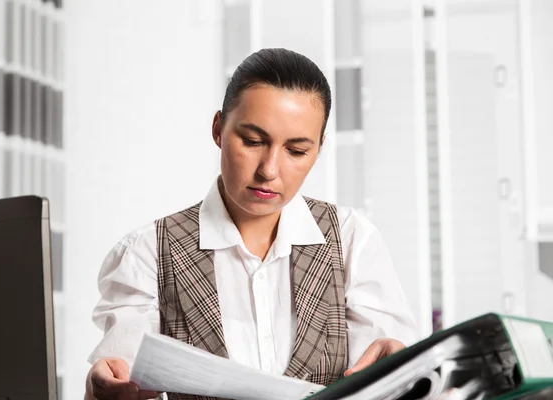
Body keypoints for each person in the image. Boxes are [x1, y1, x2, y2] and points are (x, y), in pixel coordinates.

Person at [85, 48, 418, 400]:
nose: (269, 170)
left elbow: (391, 377)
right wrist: (104, 389)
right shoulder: (146, 252)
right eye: (253, 141)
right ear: (218, 129)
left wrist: (407, 375)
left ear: (318, 149)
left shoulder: (353, 240)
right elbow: (117, 381)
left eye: (297, 151)